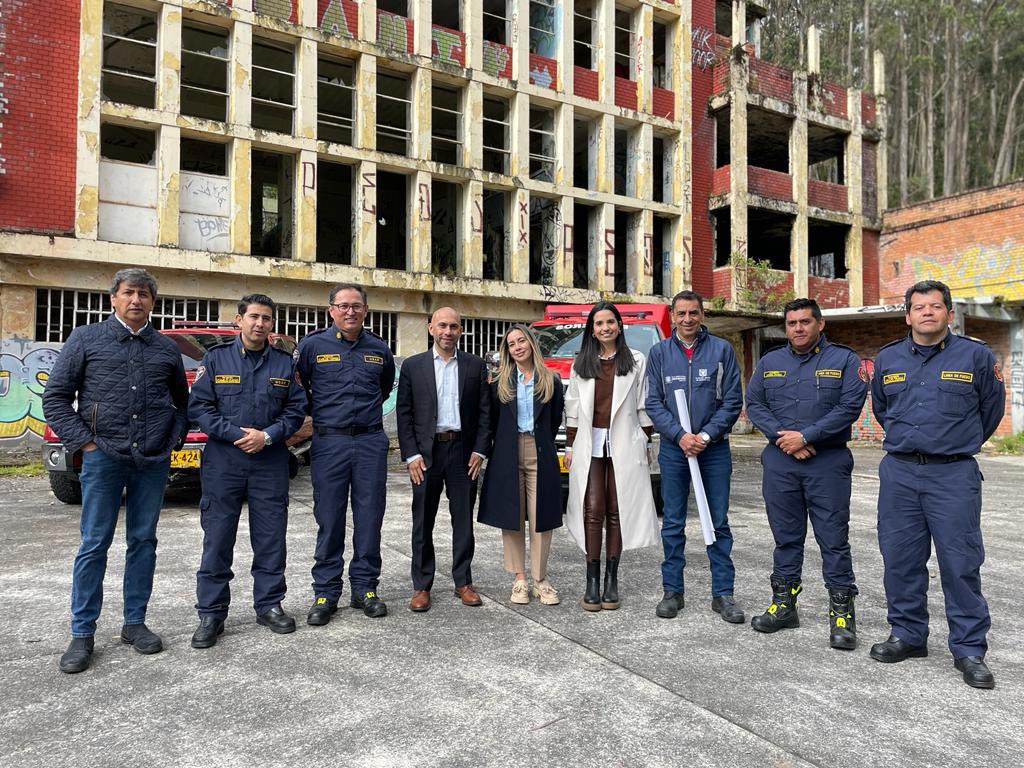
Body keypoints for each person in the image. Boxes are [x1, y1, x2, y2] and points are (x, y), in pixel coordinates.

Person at [42, 268, 189, 673]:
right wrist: (86, 444)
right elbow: (54, 398)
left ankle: (135, 623)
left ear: (153, 302)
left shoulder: (165, 348)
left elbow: (182, 402)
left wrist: (172, 439)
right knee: (94, 543)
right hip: (103, 458)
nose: (136, 300)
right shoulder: (86, 339)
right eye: (129, 293)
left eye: (144, 294)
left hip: (152, 462)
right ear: (114, 299)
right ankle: (82, 631)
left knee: (143, 541)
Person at [869, 280, 1005, 689]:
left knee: (960, 562)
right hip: (900, 473)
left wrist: (954, 445)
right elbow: (881, 407)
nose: (927, 312)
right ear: (907, 315)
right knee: (900, 558)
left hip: (953, 474)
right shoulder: (888, 358)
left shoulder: (976, 355)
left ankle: (969, 649)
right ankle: (908, 635)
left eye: (935, 306)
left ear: (948, 313)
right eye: (918, 307)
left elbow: (991, 409)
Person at [744, 298, 868, 649]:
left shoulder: (844, 360)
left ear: (820, 324)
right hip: (782, 461)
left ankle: (842, 618)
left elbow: (849, 407)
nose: (798, 329)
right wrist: (787, 440)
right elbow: (755, 404)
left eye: (804, 322)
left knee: (833, 540)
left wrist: (807, 436)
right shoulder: (770, 362)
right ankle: (784, 606)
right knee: (786, 537)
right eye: (792, 323)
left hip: (827, 462)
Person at [187, 294, 307, 648]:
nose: (260, 324)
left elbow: (295, 411)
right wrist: (238, 435)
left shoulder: (285, 365)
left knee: (271, 538)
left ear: (272, 324)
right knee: (218, 538)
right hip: (225, 461)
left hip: (269, 462)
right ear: (238, 320)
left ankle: (269, 605)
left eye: (266, 318)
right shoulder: (216, 358)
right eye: (253, 317)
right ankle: (211, 613)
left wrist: (268, 436)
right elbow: (201, 408)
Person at [296, 283, 396, 622]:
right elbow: (301, 391)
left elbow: (383, 390)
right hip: (329, 443)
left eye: (356, 306)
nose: (349, 311)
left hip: (369, 442)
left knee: (369, 517)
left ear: (366, 310)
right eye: (343, 306)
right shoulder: (311, 346)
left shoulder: (379, 350)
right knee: (330, 517)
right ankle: (326, 592)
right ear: (331, 311)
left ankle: (365, 588)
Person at [645, 291, 744, 623]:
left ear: (702, 315)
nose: (687, 319)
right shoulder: (659, 353)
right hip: (675, 449)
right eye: (681, 313)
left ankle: (723, 594)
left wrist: (704, 436)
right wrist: (680, 435)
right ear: (672, 316)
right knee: (672, 522)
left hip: (712, 449)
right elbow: (654, 403)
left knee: (717, 521)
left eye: (694, 313)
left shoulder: (721, 351)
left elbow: (732, 401)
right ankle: (673, 592)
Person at [564, 302, 660, 611]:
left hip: (624, 442)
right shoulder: (582, 362)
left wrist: (645, 440)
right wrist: (569, 446)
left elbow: (644, 403)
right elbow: (574, 408)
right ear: (592, 329)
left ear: (619, 325)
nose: (605, 327)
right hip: (589, 443)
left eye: (610, 322)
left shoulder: (635, 360)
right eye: (599, 323)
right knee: (593, 508)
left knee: (618, 510)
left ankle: (611, 580)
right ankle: (591, 580)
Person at [396, 307, 491, 612]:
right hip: (426, 455)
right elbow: (404, 413)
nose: (448, 331)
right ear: (430, 328)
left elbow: (485, 412)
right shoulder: (413, 366)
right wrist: (410, 454)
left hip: (463, 453)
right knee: (422, 520)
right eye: (442, 326)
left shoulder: (475, 366)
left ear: (460, 331)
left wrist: (480, 450)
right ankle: (421, 585)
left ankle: (463, 582)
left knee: (463, 520)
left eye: (453, 326)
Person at [478, 325, 564, 605]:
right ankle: (519, 579)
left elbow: (552, 423)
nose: (517, 347)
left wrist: (540, 444)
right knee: (512, 516)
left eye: (521, 341)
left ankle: (540, 579)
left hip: (539, 450)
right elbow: (490, 423)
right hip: (507, 451)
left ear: (531, 344)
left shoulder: (550, 379)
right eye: (511, 343)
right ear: (507, 350)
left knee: (541, 517)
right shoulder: (500, 382)